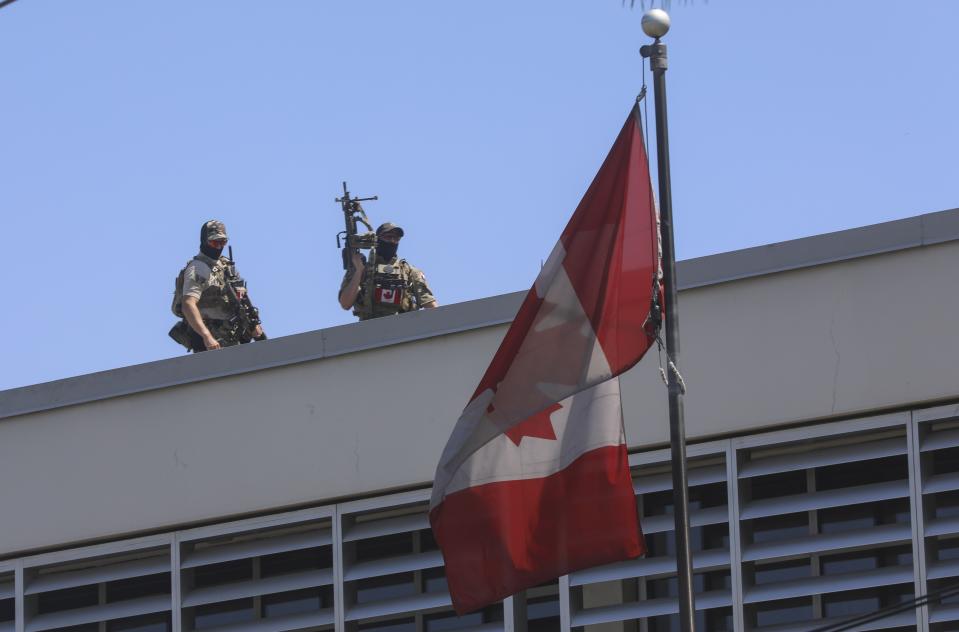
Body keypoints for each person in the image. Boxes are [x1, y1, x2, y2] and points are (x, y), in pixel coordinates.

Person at [170, 220, 265, 352]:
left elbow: (241, 300)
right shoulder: (198, 268)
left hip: (232, 337)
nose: (219, 247)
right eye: (215, 242)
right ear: (205, 241)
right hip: (210, 341)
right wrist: (206, 336)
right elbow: (188, 304)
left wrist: (252, 324)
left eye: (223, 242)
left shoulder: (226, 266)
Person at [338, 222, 437, 320]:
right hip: (368, 329)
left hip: (404, 327)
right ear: (377, 240)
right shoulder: (362, 269)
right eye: (388, 237)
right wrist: (359, 271)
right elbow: (345, 304)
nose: (392, 241)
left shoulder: (409, 272)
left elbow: (430, 305)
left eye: (396, 238)